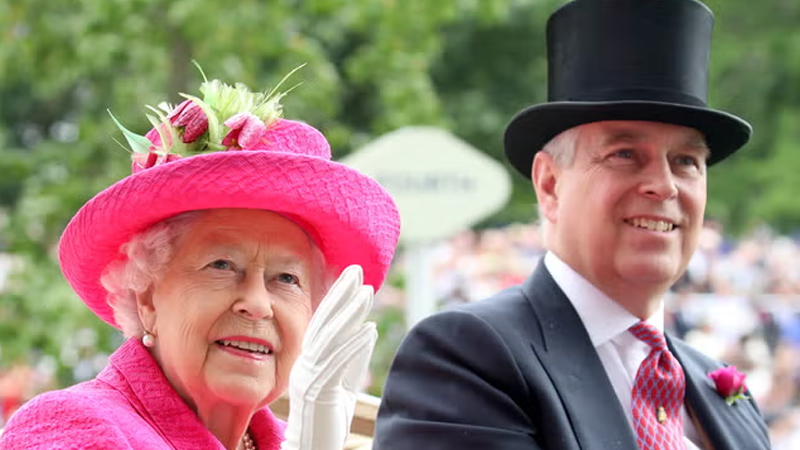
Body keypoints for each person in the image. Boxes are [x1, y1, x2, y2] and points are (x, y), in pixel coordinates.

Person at [374, 0, 771, 449]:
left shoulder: (724, 397)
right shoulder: (467, 356)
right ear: (550, 184)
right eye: (625, 154)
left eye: (685, 162)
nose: (664, 185)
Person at [0, 70, 400, 449]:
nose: (258, 304)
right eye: (222, 266)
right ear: (147, 296)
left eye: (286, 279)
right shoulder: (69, 425)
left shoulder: (295, 436)